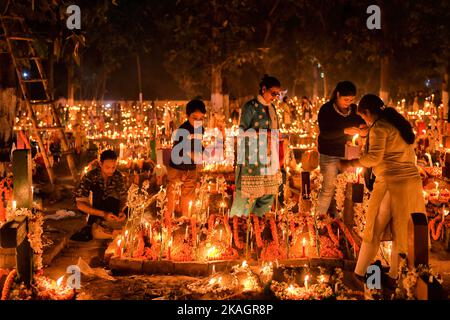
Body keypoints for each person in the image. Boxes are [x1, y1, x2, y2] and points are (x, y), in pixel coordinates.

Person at [340, 94, 426, 285]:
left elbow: (373, 159)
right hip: (410, 184)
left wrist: (350, 163)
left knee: (374, 228)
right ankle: (396, 274)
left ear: (368, 112)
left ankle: (360, 272)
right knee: (400, 230)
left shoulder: (380, 128)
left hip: (391, 183)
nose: (364, 121)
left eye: (364, 117)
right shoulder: (396, 124)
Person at [230, 74, 282, 217]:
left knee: (268, 195)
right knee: (247, 196)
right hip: (252, 158)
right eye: (273, 93)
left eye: (278, 94)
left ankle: (256, 226)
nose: (275, 97)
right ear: (264, 89)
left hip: (270, 157)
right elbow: (241, 132)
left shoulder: (272, 109)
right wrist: (260, 133)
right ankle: (238, 227)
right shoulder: (250, 107)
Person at [317, 81, 366, 217]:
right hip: (329, 154)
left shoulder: (354, 110)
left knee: (344, 188)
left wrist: (363, 130)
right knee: (328, 188)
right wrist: (345, 130)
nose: (348, 103)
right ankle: (316, 221)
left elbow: (363, 124)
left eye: (351, 100)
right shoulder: (326, 110)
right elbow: (325, 133)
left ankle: (338, 218)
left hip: (349, 155)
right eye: (345, 99)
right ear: (337, 95)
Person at [73, 150, 127, 240]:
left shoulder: (117, 176)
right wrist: (103, 214)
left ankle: (112, 231)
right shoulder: (90, 177)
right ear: (100, 164)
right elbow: (80, 204)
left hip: (111, 213)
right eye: (107, 167)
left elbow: (123, 197)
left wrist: (121, 211)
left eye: (113, 167)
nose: (111, 170)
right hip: (94, 212)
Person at [166, 99, 207, 217]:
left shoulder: (200, 129)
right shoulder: (182, 130)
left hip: (191, 167)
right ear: (187, 116)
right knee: (172, 193)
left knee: (188, 194)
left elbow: (198, 145)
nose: (198, 121)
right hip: (177, 167)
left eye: (201, 118)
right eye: (195, 118)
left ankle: (186, 218)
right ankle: (168, 218)